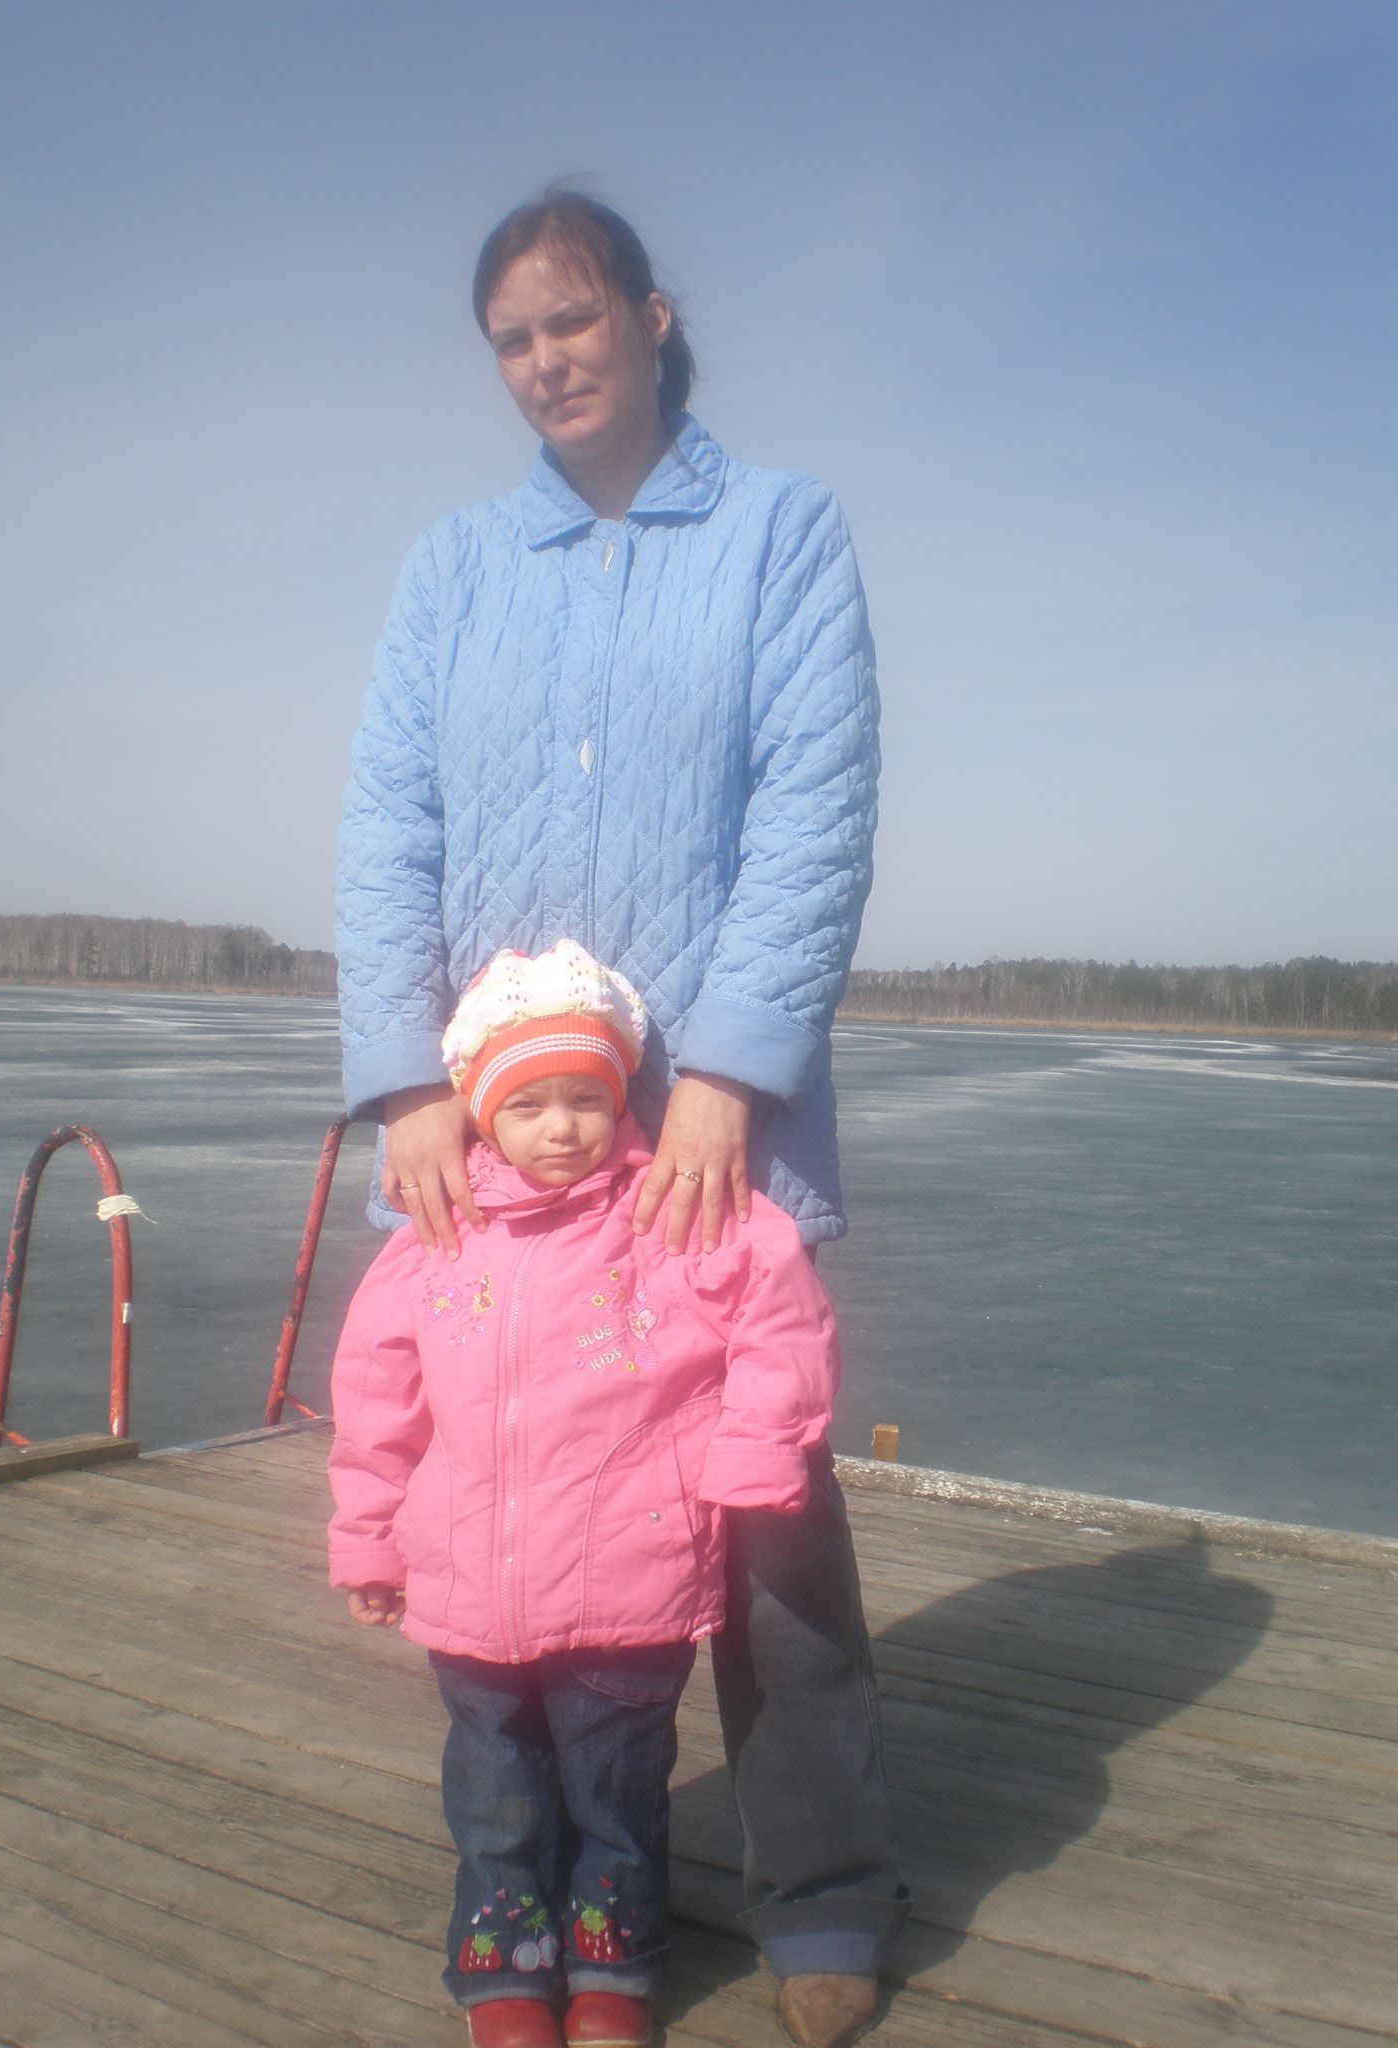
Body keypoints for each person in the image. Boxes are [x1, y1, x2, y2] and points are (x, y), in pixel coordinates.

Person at [336, 191, 907, 2048]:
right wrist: (406, 1077)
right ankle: (546, 1892)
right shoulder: (451, 569)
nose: (544, 360)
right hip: (501, 1141)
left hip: (706, 1132)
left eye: (572, 320)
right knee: (518, 1507)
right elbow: (388, 826)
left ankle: (822, 1885)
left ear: (654, 319)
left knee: (764, 1507)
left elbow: (816, 808)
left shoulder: (780, 533)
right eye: (511, 338)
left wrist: (730, 1074)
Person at [330, 942, 842, 2048]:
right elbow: (375, 1403)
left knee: (617, 1790)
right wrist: (367, 1537)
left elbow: (781, 1308)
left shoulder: (670, 1215)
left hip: (630, 1586)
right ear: (480, 1112)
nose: (560, 1128)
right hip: (470, 1592)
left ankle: (615, 1962)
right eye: (528, 1104)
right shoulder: (438, 1237)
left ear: (621, 1100)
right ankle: (506, 1963)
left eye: (586, 1099)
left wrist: (757, 1456)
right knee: (496, 1794)